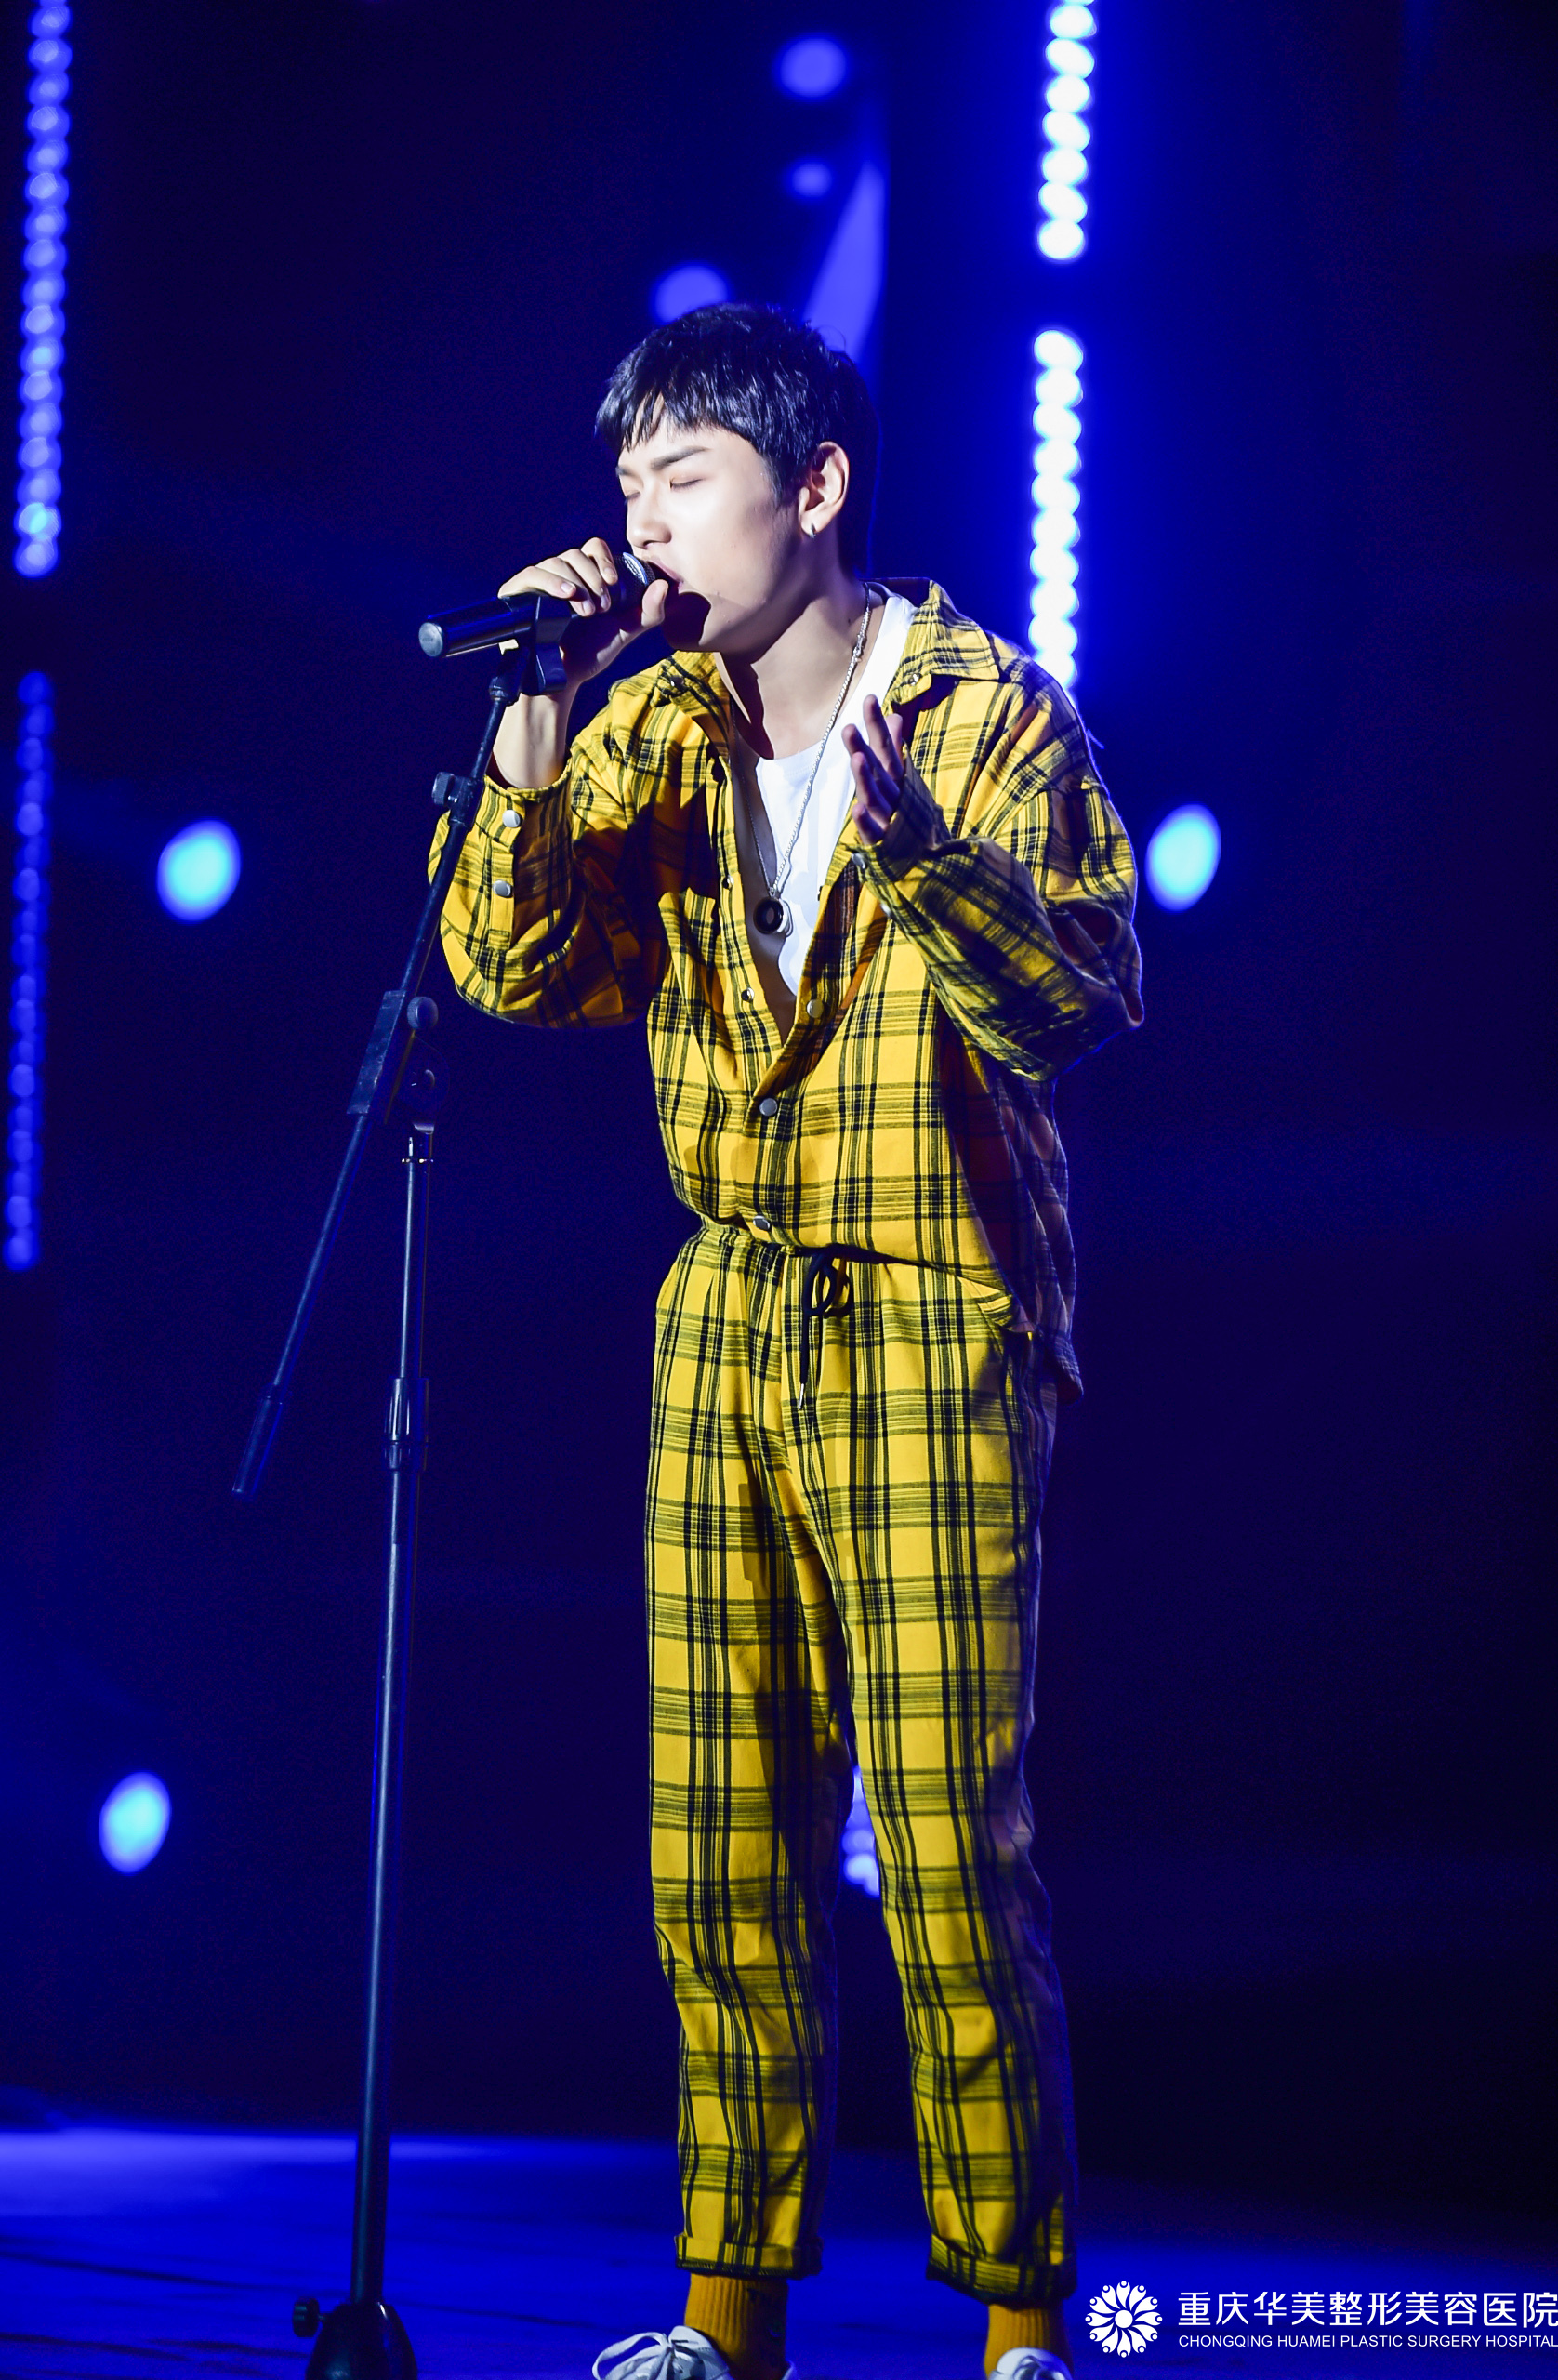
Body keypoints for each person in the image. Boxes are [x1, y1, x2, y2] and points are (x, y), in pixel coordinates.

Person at [431, 302, 1142, 2380]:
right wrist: (538, 710)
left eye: (682, 475)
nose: (642, 518)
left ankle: (1019, 2323)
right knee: (718, 1834)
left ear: (812, 487)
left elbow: (1079, 995)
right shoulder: (649, 720)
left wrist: (914, 851)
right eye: (627, 481)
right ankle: (723, 2319)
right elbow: (506, 963)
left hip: (930, 1303)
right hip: (725, 1302)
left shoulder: (988, 711)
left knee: (940, 1837)